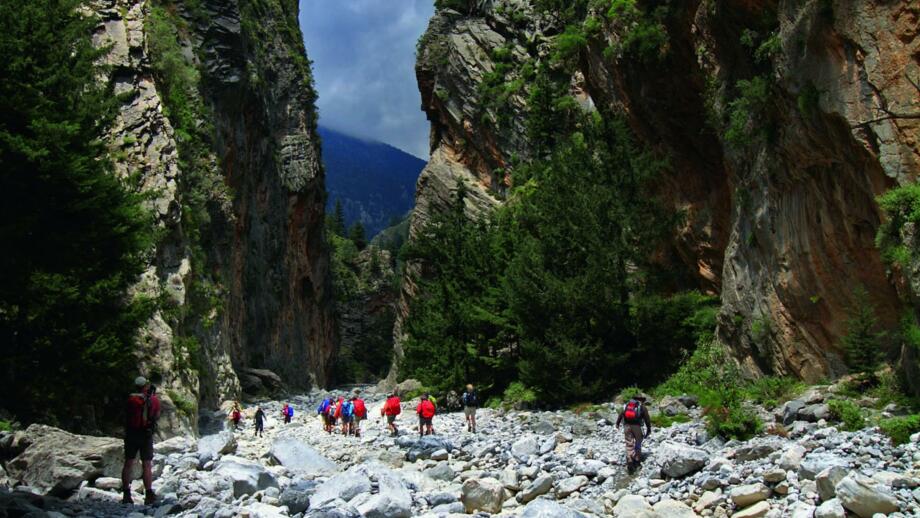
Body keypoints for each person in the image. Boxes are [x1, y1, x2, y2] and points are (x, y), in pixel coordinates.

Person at [122, 376, 161, 505]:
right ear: (146, 386)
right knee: (147, 464)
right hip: (146, 434)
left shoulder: (129, 399)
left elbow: (125, 415)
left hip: (131, 434)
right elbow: (156, 415)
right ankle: (149, 494)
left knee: (128, 463)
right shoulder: (153, 400)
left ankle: (126, 494)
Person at [615, 394, 652, 474]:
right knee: (638, 441)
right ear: (641, 399)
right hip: (637, 426)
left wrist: (617, 424)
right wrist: (648, 429)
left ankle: (630, 460)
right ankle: (637, 460)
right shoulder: (642, 406)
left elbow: (621, 414)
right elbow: (647, 419)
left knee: (629, 443)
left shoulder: (627, 405)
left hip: (626, 426)